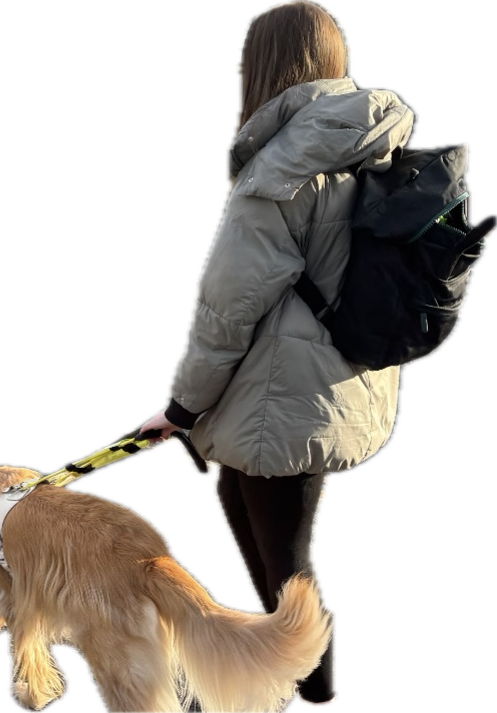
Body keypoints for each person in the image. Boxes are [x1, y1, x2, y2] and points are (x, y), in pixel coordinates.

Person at [141, 0, 412, 707]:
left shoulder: (281, 168)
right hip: (341, 378)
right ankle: (289, 675)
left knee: (288, 572)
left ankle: (314, 695)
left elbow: (225, 309)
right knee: (242, 506)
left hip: (281, 401)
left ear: (260, 67)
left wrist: (179, 406)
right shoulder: (369, 143)